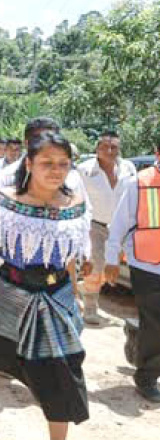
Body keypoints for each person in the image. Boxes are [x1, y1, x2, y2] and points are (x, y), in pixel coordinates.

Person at [0, 132, 91, 440]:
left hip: (56, 298)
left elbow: (69, 257)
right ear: (29, 163)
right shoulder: (3, 200)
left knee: (61, 372)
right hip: (7, 295)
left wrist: (75, 294)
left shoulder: (76, 204)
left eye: (63, 163)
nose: (56, 170)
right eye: (47, 163)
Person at [104, 138, 160, 403]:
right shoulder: (139, 182)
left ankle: (137, 331)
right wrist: (111, 259)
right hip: (146, 263)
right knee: (157, 322)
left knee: (153, 322)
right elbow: (119, 223)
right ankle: (146, 377)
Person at [76, 131, 137, 324]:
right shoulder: (84, 170)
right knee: (96, 265)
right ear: (97, 149)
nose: (109, 151)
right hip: (95, 225)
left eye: (114, 147)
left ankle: (86, 289)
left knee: (117, 266)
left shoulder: (128, 168)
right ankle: (90, 309)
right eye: (105, 147)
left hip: (123, 227)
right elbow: (77, 198)